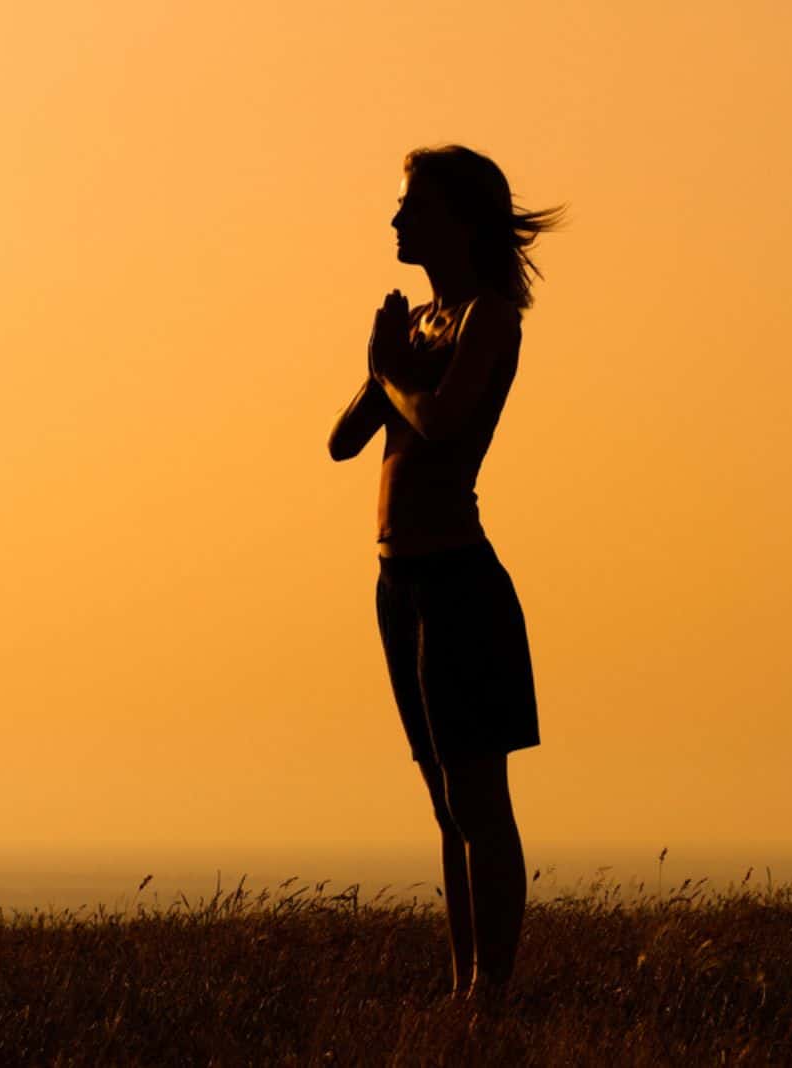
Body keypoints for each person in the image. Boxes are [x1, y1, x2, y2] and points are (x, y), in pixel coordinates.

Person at [327, 144, 567, 1005]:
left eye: (411, 207)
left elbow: (439, 420)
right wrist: (383, 355)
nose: (396, 221)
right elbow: (343, 440)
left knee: (478, 802)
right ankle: (464, 987)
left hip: (461, 582)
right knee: (442, 805)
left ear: (458, 220)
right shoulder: (425, 321)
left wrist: (394, 366)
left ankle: (491, 990)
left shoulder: (490, 318)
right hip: (400, 584)